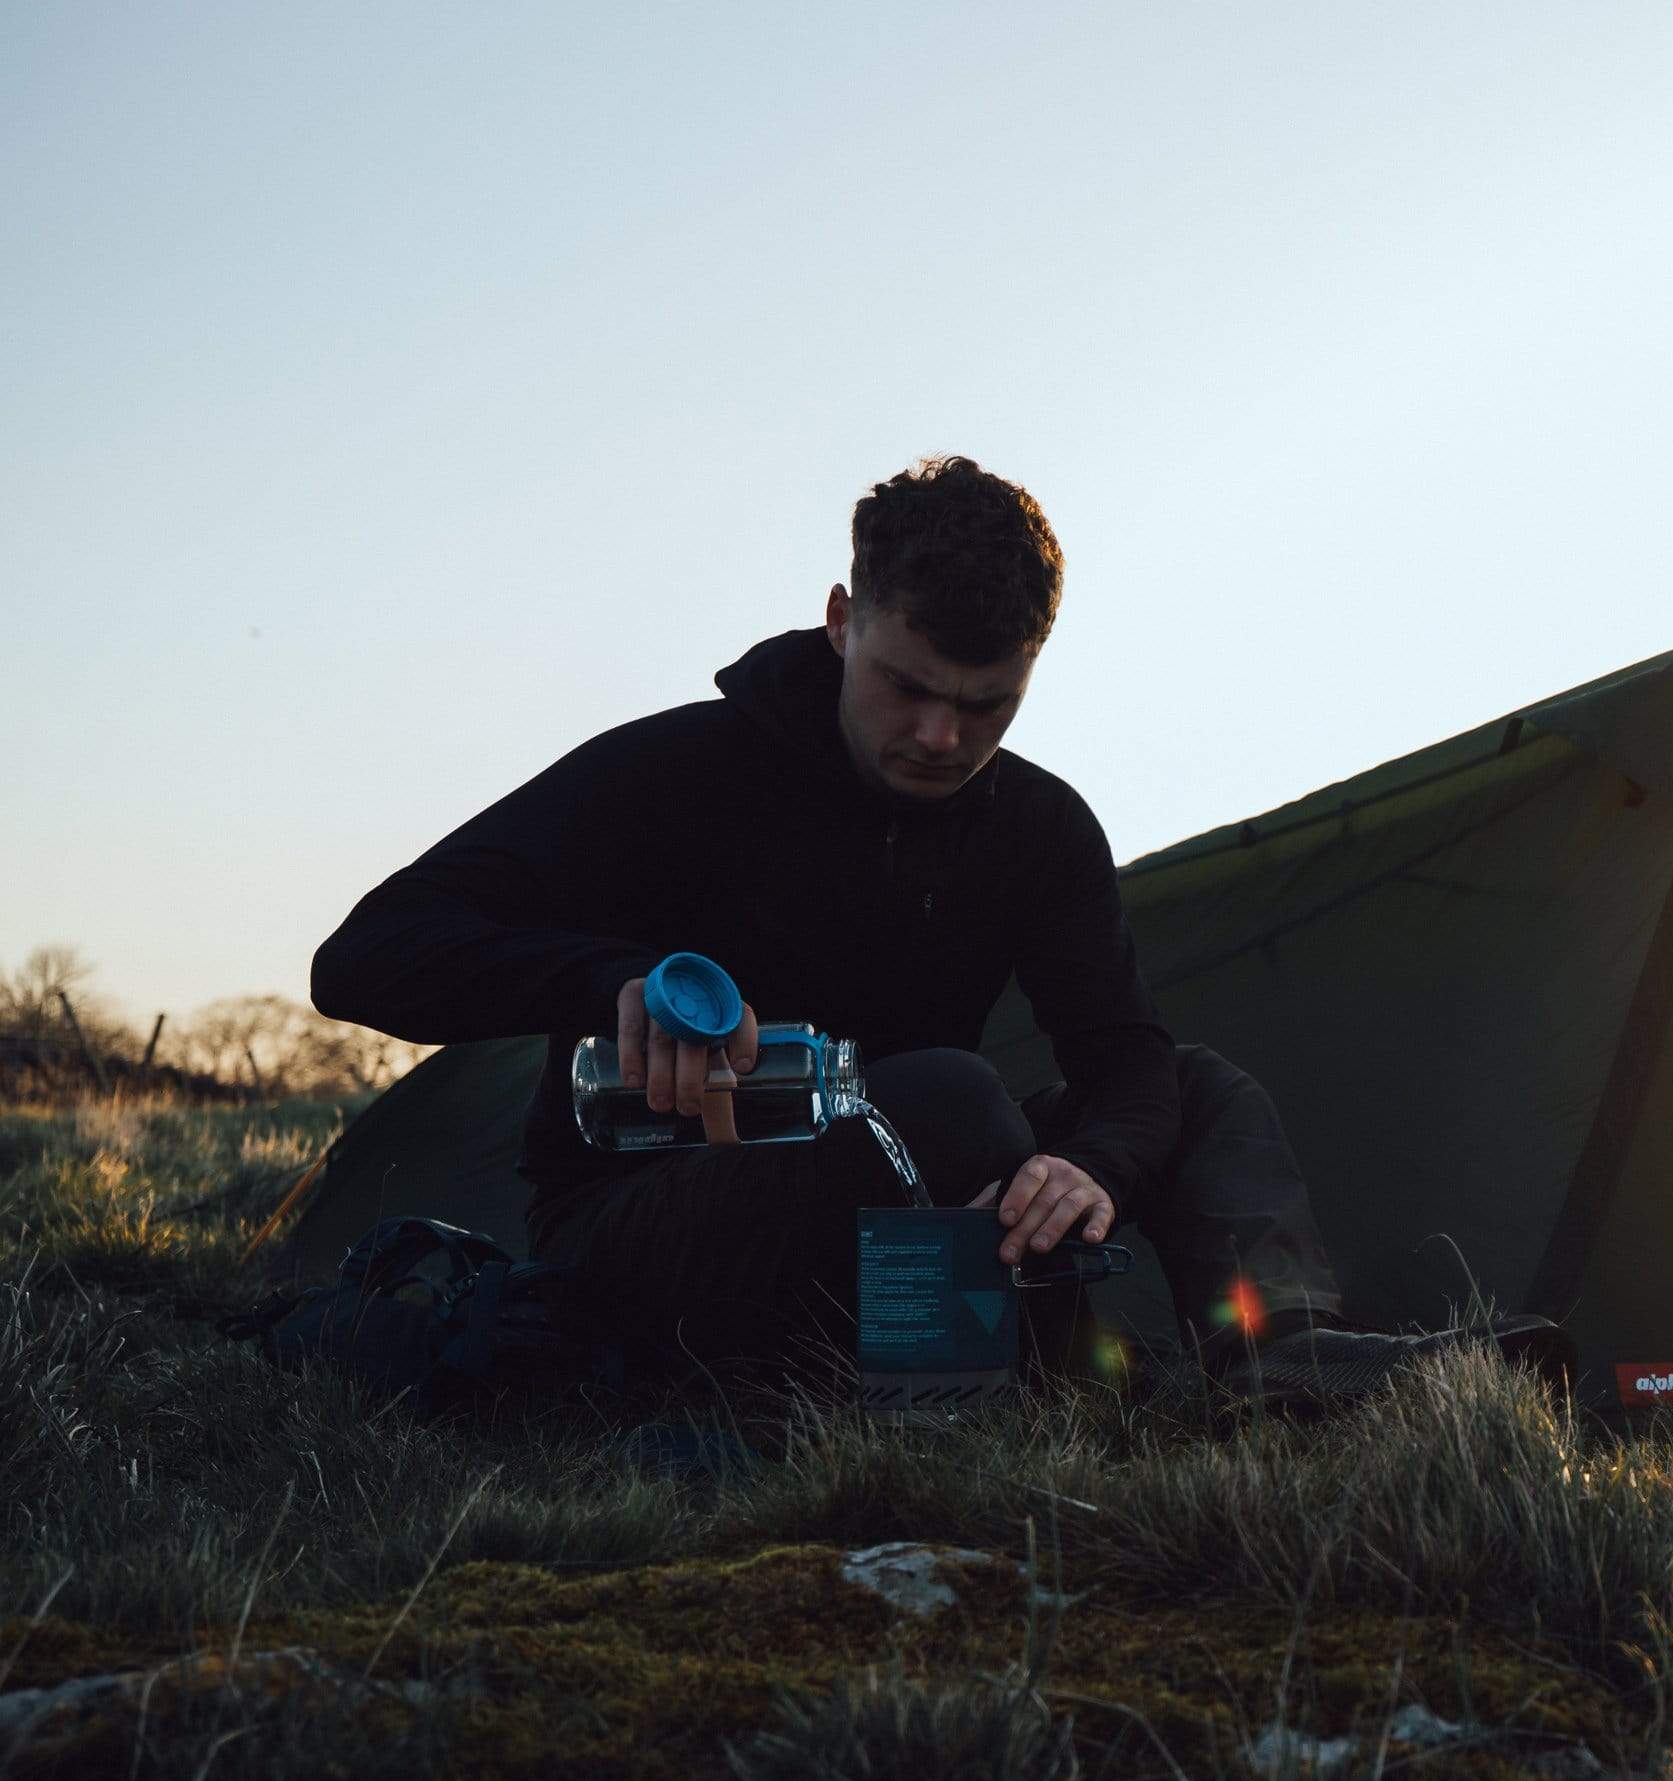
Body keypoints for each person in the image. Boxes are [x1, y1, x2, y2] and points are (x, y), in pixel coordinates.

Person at [312, 454, 1489, 1403]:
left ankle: (1282, 1365)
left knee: (1195, 1085)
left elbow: (1121, 1056)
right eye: (908, 686)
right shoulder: (672, 772)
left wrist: (1087, 1166)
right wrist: (608, 977)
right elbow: (364, 956)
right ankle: (999, 1377)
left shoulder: (1038, 826)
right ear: (841, 620)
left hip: (917, 1192)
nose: (940, 735)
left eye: (986, 704)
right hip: (645, 1225)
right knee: (941, 1094)